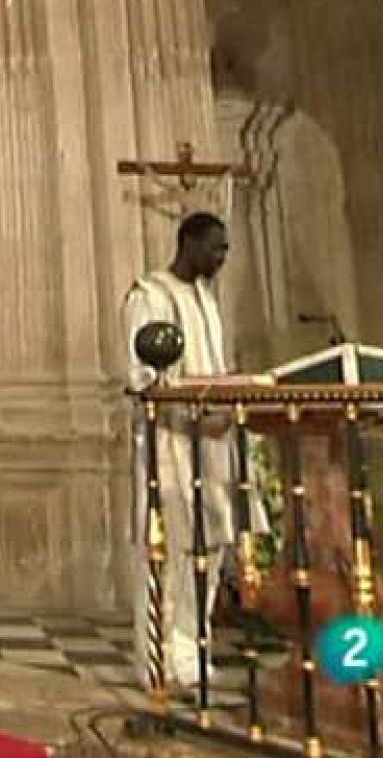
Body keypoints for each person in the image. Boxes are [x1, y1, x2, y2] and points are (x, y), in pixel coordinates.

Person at [122, 212, 261, 693]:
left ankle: (194, 646)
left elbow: (215, 365)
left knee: (212, 546)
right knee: (172, 549)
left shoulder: (207, 299)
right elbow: (143, 377)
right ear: (190, 243)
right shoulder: (149, 296)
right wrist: (190, 406)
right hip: (172, 444)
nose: (222, 258)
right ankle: (159, 653)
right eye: (216, 248)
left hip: (214, 443)